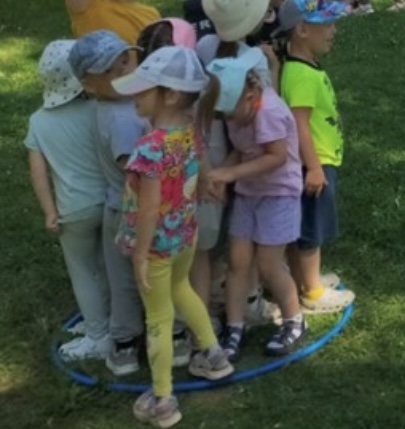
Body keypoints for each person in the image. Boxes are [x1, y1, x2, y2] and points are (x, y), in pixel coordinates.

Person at [111, 46, 234, 426]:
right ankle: (214, 356)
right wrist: (205, 186)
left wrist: (140, 254)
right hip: (184, 237)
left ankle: (162, 400)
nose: (134, 95)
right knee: (183, 290)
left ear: (170, 95)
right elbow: (198, 173)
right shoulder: (189, 132)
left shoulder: (150, 148)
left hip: (155, 248)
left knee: (159, 318)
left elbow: (148, 209)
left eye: (143, 89)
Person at [203, 52, 307, 358]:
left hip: (279, 194)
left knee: (269, 264)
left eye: (229, 113)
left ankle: (294, 320)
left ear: (250, 96)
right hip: (250, 192)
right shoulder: (239, 112)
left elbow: (276, 157)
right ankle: (235, 326)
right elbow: (242, 149)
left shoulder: (269, 112)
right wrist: (222, 174)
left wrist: (230, 174)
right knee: (238, 261)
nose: (228, 120)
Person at [68, 30, 157, 376]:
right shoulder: (123, 118)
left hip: (116, 206)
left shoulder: (112, 106)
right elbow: (135, 171)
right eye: (109, 70)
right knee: (137, 277)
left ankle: (125, 344)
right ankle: (140, 340)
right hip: (134, 210)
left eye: (125, 60)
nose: (122, 70)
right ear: (88, 84)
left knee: (122, 278)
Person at [26, 40, 110, 361]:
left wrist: (49, 211)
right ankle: (110, 321)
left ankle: (97, 334)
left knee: (83, 270)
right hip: (109, 200)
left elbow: (38, 172)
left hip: (73, 209)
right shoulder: (98, 109)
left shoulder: (38, 122)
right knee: (107, 265)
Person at [277, 0, 356, 313]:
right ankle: (312, 292)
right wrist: (313, 167)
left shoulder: (302, 67)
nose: (333, 30)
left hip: (318, 160)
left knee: (307, 225)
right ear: (302, 30)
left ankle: (304, 279)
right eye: (326, 24)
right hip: (315, 162)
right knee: (312, 229)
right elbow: (299, 124)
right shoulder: (301, 75)